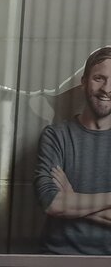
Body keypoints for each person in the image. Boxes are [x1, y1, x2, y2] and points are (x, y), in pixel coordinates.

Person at [33, 46, 111, 254]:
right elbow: (51, 203)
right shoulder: (56, 136)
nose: (107, 88)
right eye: (99, 78)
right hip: (57, 257)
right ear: (84, 82)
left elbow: (63, 204)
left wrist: (73, 197)